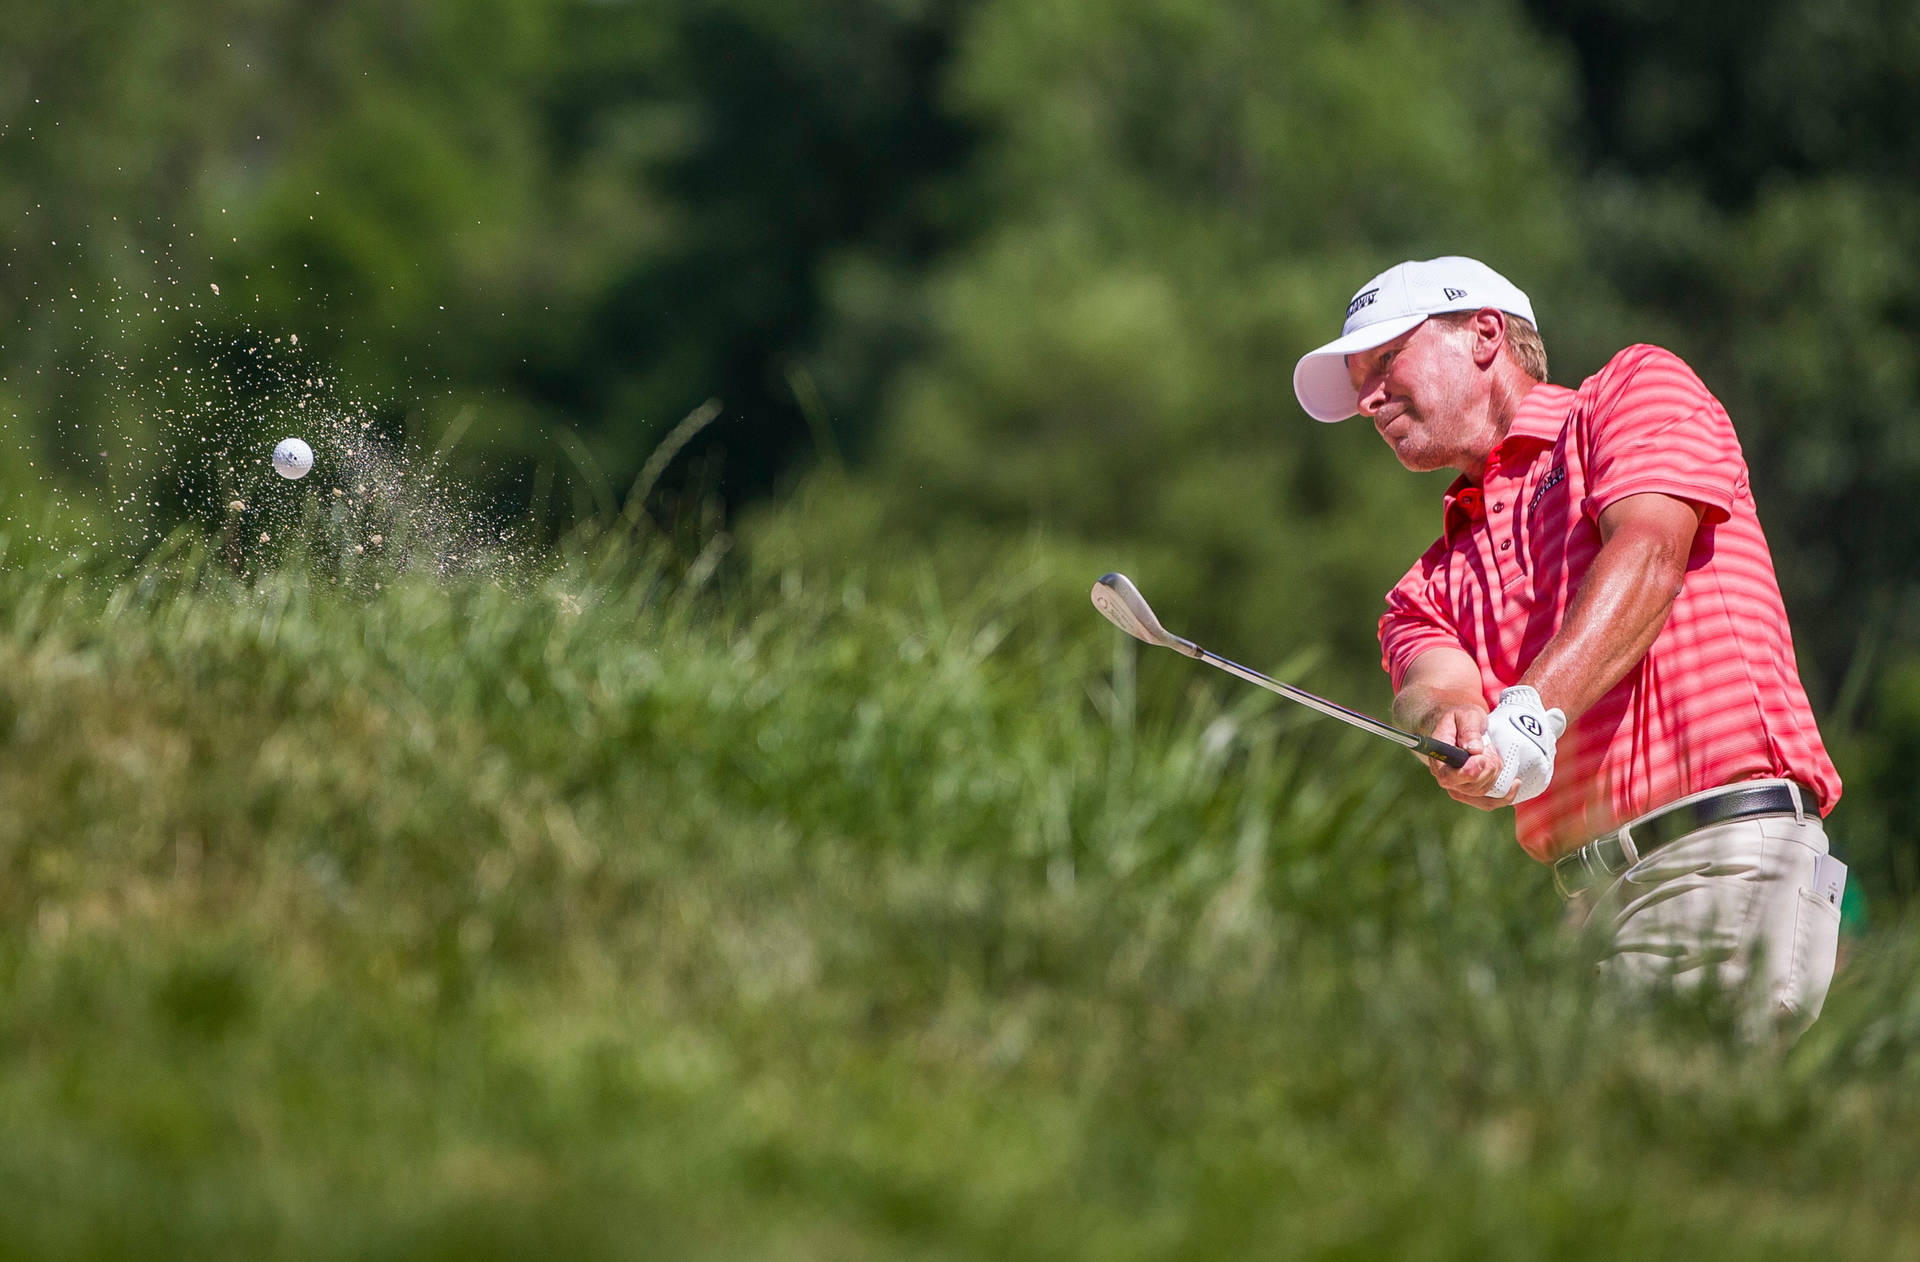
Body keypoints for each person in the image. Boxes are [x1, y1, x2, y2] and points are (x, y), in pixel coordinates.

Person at [1292, 256, 1847, 1040]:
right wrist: (1457, 728)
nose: (1368, 398)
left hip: (1718, 860)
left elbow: (1650, 550)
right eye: (1358, 382)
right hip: (1587, 911)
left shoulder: (1630, 393)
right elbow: (1431, 681)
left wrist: (1529, 715)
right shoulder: (1427, 583)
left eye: (1386, 362)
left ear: (1484, 334)